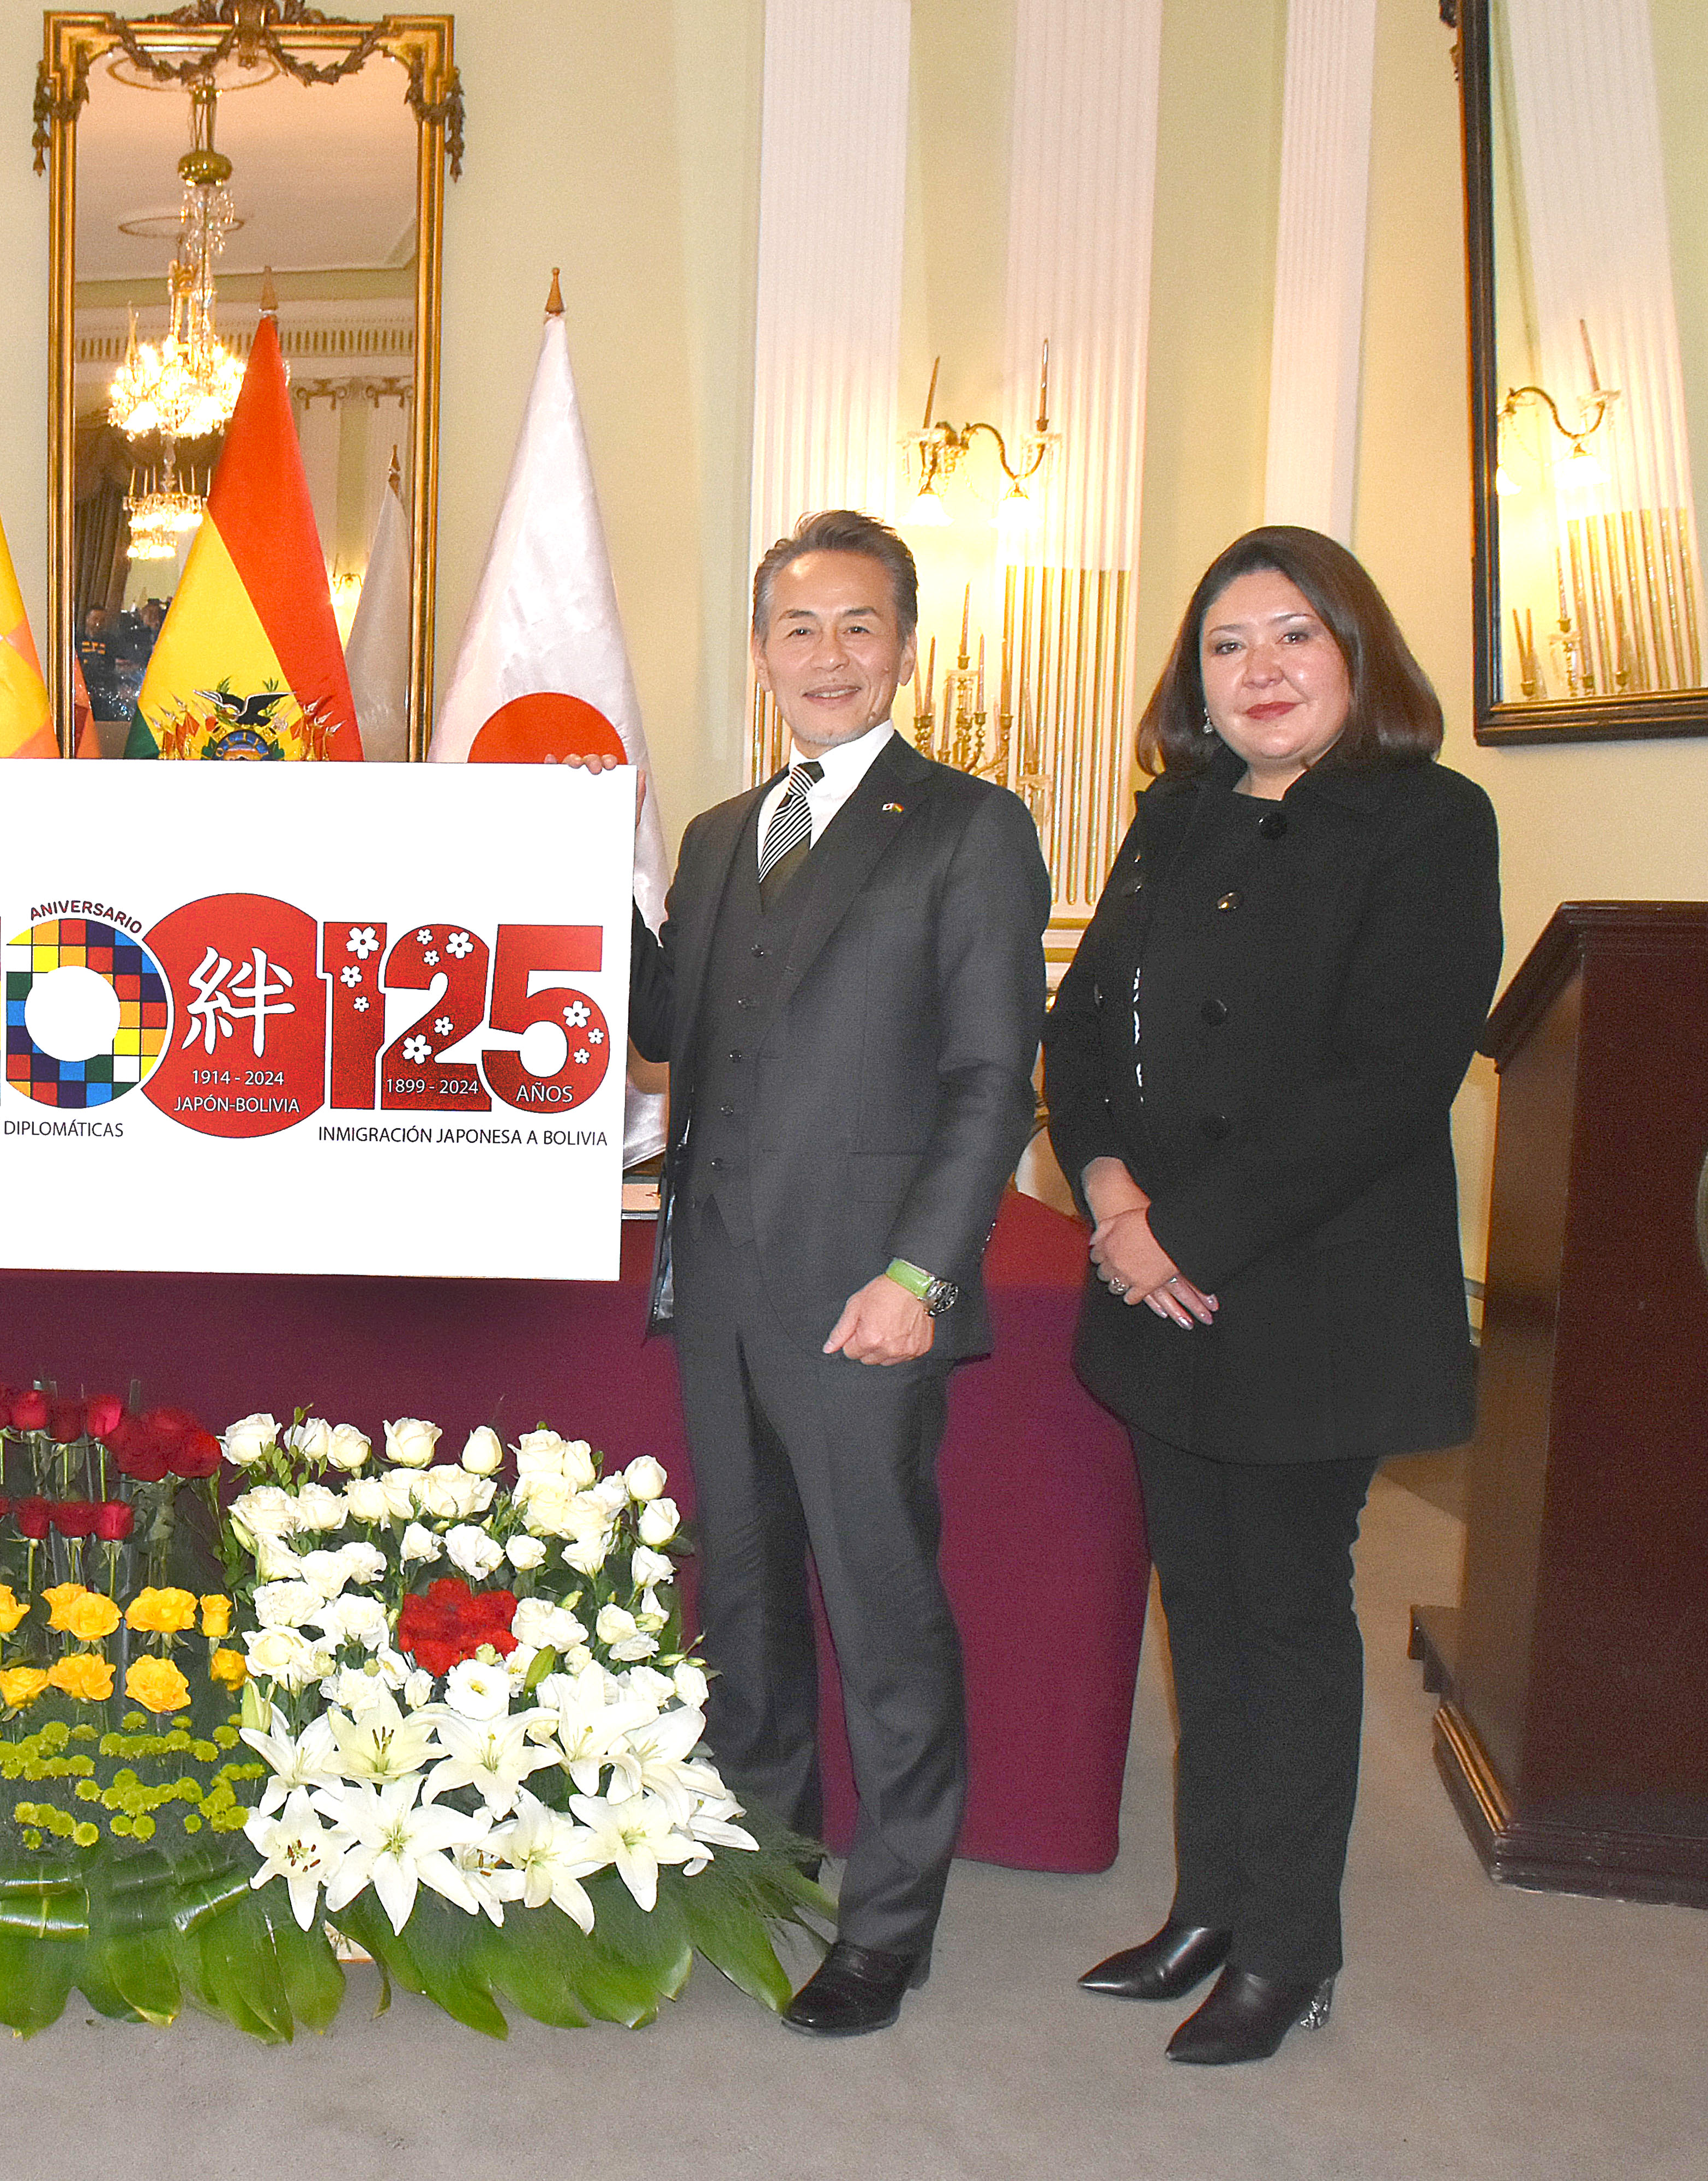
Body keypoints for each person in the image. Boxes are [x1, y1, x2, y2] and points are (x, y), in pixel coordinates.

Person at [1044, 527, 1499, 2065]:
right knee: (1205, 1610)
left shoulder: (1431, 822)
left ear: (1357, 657)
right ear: (1199, 684)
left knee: (1289, 1620)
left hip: (1312, 1310)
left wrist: (1186, 1239)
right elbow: (1082, 1029)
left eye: (1294, 638)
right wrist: (1111, 1200)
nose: (1262, 672)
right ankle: (1211, 1909)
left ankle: (1290, 1949)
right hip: (1153, 1286)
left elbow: (1391, 1081)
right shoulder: (1174, 824)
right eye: (1230, 648)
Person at [626, 508, 1050, 2036]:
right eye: (797, 630)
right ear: (760, 656)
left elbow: (995, 1079)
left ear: (907, 650)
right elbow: (670, 1019)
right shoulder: (724, 835)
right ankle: (760, 1856)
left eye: (859, 627)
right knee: (742, 1597)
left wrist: (922, 1279)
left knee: (879, 1606)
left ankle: (890, 1918)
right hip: (723, 1288)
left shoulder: (969, 827)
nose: (827, 656)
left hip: (870, 1293)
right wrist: (563, 871)